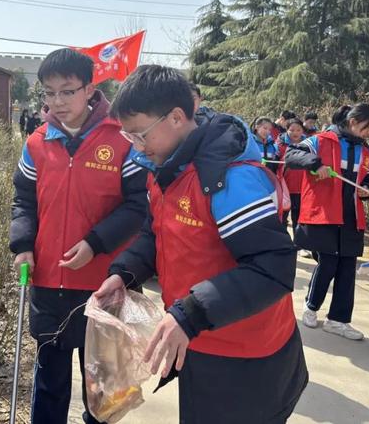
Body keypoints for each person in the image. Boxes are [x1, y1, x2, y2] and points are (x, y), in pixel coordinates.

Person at [94, 65, 308, 424]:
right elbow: (155, 233)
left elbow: (273, 268)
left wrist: (190, 312)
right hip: (197, 337)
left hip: (246, 357)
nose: (137, 147)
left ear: (177, 117)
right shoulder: (165, 167)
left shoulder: (230, 179)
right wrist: (124, 273)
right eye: (129, 138)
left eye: (140, 135)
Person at [9, 48, 148, 424]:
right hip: (48, 282)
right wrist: (22, 245)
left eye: (67, 91)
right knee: (50, 377)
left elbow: (139, 204)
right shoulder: (38, 142)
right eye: (49, 93)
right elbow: (24, 199)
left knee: (102, 386)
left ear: (90, 89)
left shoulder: (121, 140)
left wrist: (95, 243)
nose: (57, 102)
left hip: (102, 284)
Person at [285, 104, 369, 340]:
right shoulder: (321, 140)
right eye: (367, 126)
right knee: (328, 263)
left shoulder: (367, 152)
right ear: (353, 121)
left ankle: (338, 320)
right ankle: (312, 306)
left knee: (347, 267)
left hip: (351, 216)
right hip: (326, 213)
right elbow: (291, 155)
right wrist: (315, 164)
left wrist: (367, 189)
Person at [277, 118, 307, 228]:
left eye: (298, 130)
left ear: (302, 130)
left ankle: (297, 244)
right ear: (286, 130)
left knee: (299, 220)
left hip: (303, 188)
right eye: (292, 130)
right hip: (284, 189)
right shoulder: (279, 146)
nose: (295, 133)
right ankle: (282, 243)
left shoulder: (309, 145)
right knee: (282, 219)